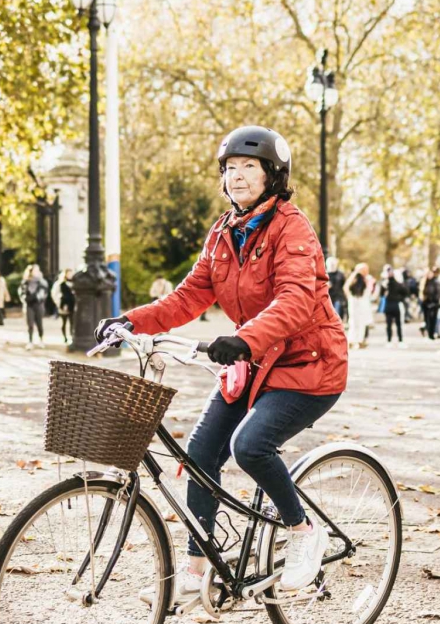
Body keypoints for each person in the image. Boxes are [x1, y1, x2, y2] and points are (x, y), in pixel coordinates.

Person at [97, 125, 347, 600]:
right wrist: (130, 321)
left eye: (249, 168)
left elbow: (297, 301)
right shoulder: (223, 232)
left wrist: (243, 339)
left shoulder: (291, 228)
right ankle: (195, 573)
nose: (237, 177)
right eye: (230, 168)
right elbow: (188, 297)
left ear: (272, 176)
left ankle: (303, 531)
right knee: (201, 454)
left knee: (251, 445)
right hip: (254, 362)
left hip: (308, 364)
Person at [345, 262, 374, 348]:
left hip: (360, 303)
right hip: (356, 302)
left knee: (360, 322)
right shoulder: (355, 279)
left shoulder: (366, 279)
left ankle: (358, 341)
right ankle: (353, 340)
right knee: (354, 322)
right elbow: (346, 288)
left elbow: (368, 291)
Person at [20, 264, 49, 348]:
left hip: (38, 305)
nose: (37, 272)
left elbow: (45, 293)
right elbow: (22, 293)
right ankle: (30, 341)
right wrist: (25, 298)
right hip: (29, 305)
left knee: (39, 323)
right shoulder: (25, 282)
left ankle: (41, 340)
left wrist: (39, 297)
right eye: (35, 270)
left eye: (38, 270)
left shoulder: (42, 282)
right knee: (30, 324)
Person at [382, 265, 407, 343]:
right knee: (391, 324)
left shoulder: (396, 284)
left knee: (396, 324)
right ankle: (391, 340)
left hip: (394, 304)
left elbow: (405, 292)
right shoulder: (385, 284)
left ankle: (398, 339)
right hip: (390, 305)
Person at [56, 267, 76, 342]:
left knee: (72, 323)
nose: (70, 275)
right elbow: (60, 294)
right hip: (64, 305)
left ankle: (71, 337)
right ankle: (65, 337)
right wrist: (62, 304)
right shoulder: (62, 284)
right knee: (64, 322)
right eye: (68, 273)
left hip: (72, 305)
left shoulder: (75, 283)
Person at [325, 257, 347, 322]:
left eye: (333, 263)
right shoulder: (324, 274)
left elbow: (344, 285)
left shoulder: (341, 274)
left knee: (337, 314)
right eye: (330, 263)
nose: (332, 265)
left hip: (338, 297)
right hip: (327, 298)